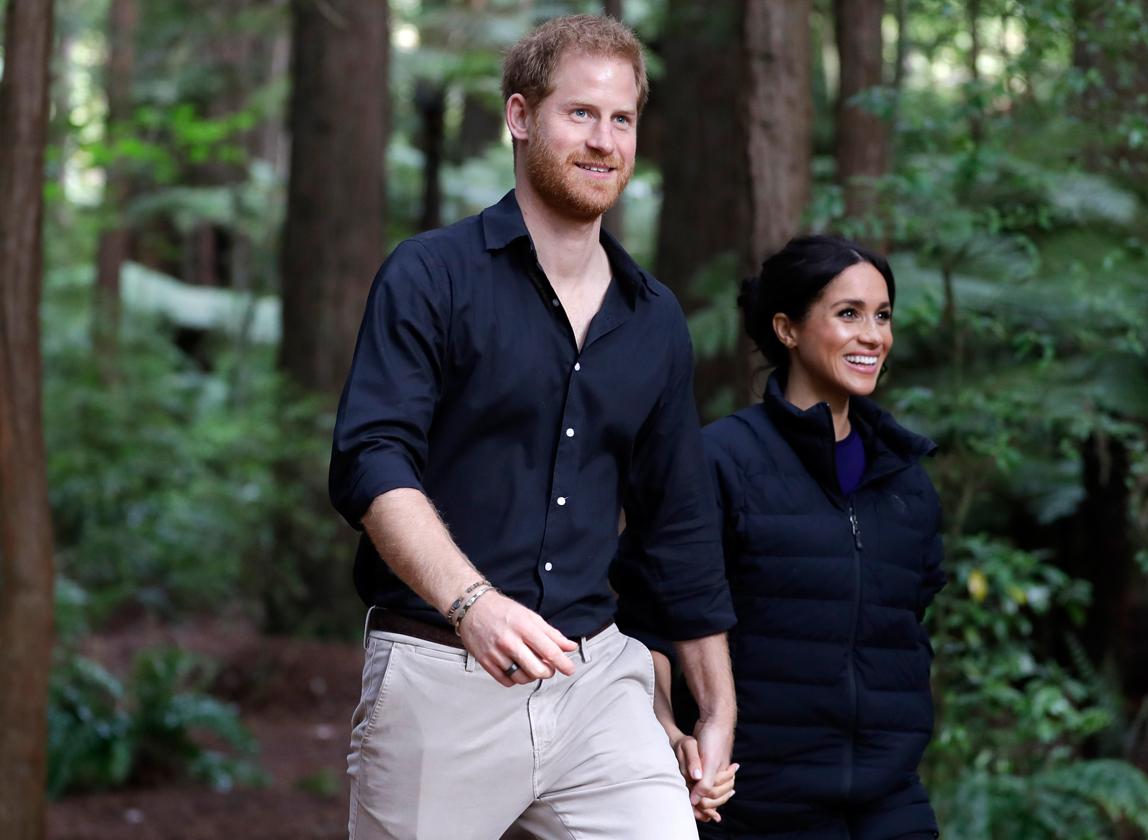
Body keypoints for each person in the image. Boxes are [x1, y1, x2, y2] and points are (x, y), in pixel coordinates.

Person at [328, 15, 736, 840]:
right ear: (520, 117)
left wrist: (718, 705)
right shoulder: (431, 274)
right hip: (439, 671)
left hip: (597, 681)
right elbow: (371, 460)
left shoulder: (653, 319)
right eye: (579, 113)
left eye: (621, 119)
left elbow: (678, 523)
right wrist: (471, 603)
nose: (604, 140)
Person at [616, 235, 947, 839]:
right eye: (848, 314)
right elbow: (648, 621)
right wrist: (671, 732)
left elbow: (906, 624)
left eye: (883, 315)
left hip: (889, 799)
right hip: (752, 803)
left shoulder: (906, 479)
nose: (872, 335)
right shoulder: (719, 462)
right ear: (787, 329)